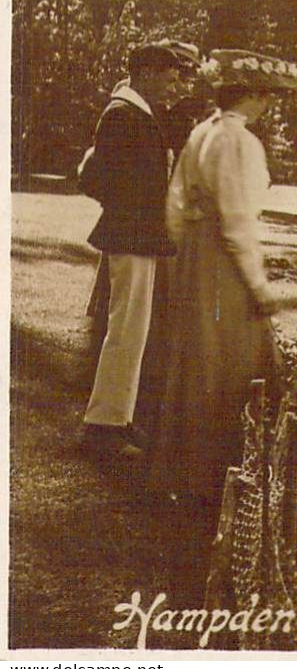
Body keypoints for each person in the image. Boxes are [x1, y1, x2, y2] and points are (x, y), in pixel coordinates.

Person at [148, 48, 297, 502]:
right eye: (267, 96)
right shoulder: (240, 141)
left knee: (194, 355)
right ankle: (215, 472)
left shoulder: (201, 132)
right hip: (222, 257)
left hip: (195, 256)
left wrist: (184, 252)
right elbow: (238, 220)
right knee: (227, 359)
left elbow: (175, 205)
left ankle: (185, 468)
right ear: (255, 97)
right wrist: (257, 284)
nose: (269, 105)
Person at [77, 43, 189, 460]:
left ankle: (117, 416)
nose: (174, 84)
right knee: (125, 330)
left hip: (140, 236)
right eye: (169, 75)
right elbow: (94, 178)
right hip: (130, 235)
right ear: (145, 72)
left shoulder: (138, 113)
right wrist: (133, 209)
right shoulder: (122, 114)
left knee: (133, 331)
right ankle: (103, 426)